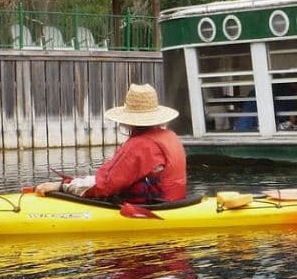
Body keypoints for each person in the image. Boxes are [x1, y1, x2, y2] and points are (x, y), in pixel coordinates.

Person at [35, 83, 187, 203]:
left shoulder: (140, 145)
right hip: (173, 203)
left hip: (149, 209)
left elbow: (104, 186)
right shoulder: (170, 136)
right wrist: (73, 182)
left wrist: (62, 186)